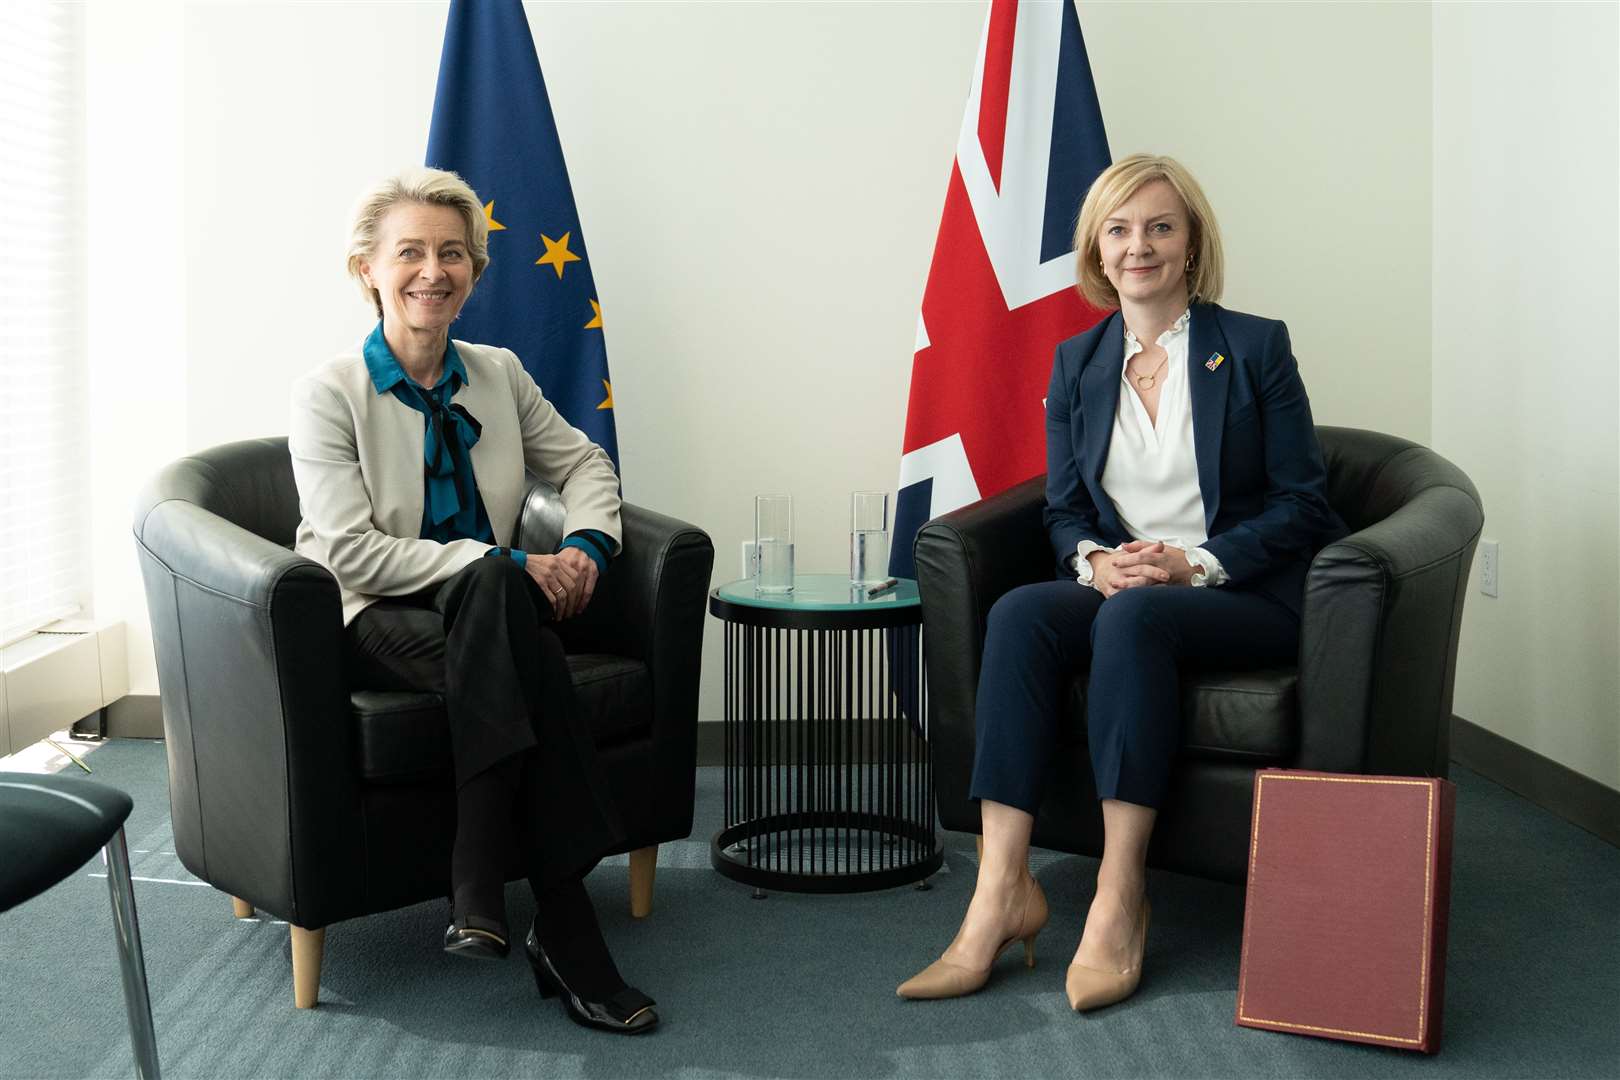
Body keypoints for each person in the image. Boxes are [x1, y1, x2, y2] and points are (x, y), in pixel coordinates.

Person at [897, 153, 1345, 1011]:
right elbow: (1065, 509)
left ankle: (1119, 893)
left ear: (1191, 243)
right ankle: (999, 892)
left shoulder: (1254, 348)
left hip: (1240, 593)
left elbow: (1303, 504)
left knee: (1133, 626)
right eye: (1119, 229)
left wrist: (1190, 562)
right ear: (1097, 251)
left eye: (1160, 226)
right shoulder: (1078, 362)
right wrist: (1098, 562)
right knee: (1024, 612)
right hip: (1128, 583)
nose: (1139, 245)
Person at [288, 167, 656, 1035]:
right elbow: (345, 549)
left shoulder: (498, 373)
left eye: (453, 253)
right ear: (366, 271)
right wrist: (505, 563)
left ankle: (483, 885)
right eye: (408, 252)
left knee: (497, 591)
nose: (432, 270)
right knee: (498, 583)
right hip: (373, 616)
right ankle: (562, 924)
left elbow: (585, 466)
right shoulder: (327, 392)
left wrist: (585, 547)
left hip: (489, 617)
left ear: (476, 275)